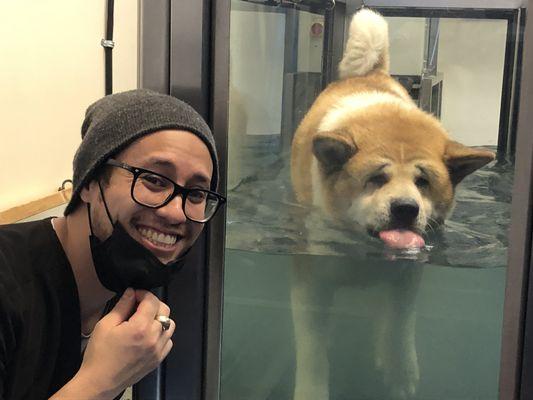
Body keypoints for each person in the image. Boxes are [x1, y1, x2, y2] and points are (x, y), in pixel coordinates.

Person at [0, 89, 226, 399]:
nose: (176, 212)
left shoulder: (122, 291)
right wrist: (100, 382)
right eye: (154, 180)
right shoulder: (9, 283)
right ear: (90, 181)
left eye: (197, 194)